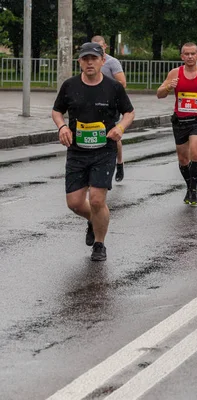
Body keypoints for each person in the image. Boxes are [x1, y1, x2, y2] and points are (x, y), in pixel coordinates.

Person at [51, 42, 135, 261]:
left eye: (94, 59)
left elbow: (129, 113)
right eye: (85, 59)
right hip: (77, 151)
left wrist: (120, 127)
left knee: (97, 200)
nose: (89, 63)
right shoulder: (70, 86)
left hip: (104, 150)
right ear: (80, 62)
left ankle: (100, 244)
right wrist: (62, 127)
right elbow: (57, 111)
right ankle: (94, 219)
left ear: (102, 61)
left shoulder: (113, 87)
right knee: (75, 203)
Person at [157, 42, 197, 206]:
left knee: (195, 154)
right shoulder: (175, 73)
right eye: (186, 54)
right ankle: (189, 187)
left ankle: (193, 191)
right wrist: (168, 87)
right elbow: (159, 94)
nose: (189, 57)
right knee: (183, 159)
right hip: (180, 120)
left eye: (192, 54)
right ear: (182, 56)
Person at [90, 35, 127, 183]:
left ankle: (119, 163)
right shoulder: (89, 62)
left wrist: (107, 93)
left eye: (100, 47)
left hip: (111, 104)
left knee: (112, 134)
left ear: (105, 46)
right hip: (92, 104)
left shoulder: (112, 62)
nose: (97, 50)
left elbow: (122, 83)